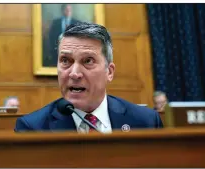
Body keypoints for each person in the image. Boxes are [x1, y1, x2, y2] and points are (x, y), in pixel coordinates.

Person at [15, 22, 163, 133]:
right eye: (65, 61)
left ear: (109, 72)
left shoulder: (146, 122)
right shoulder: (32, 128)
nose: (74, 73)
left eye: (88, 61)